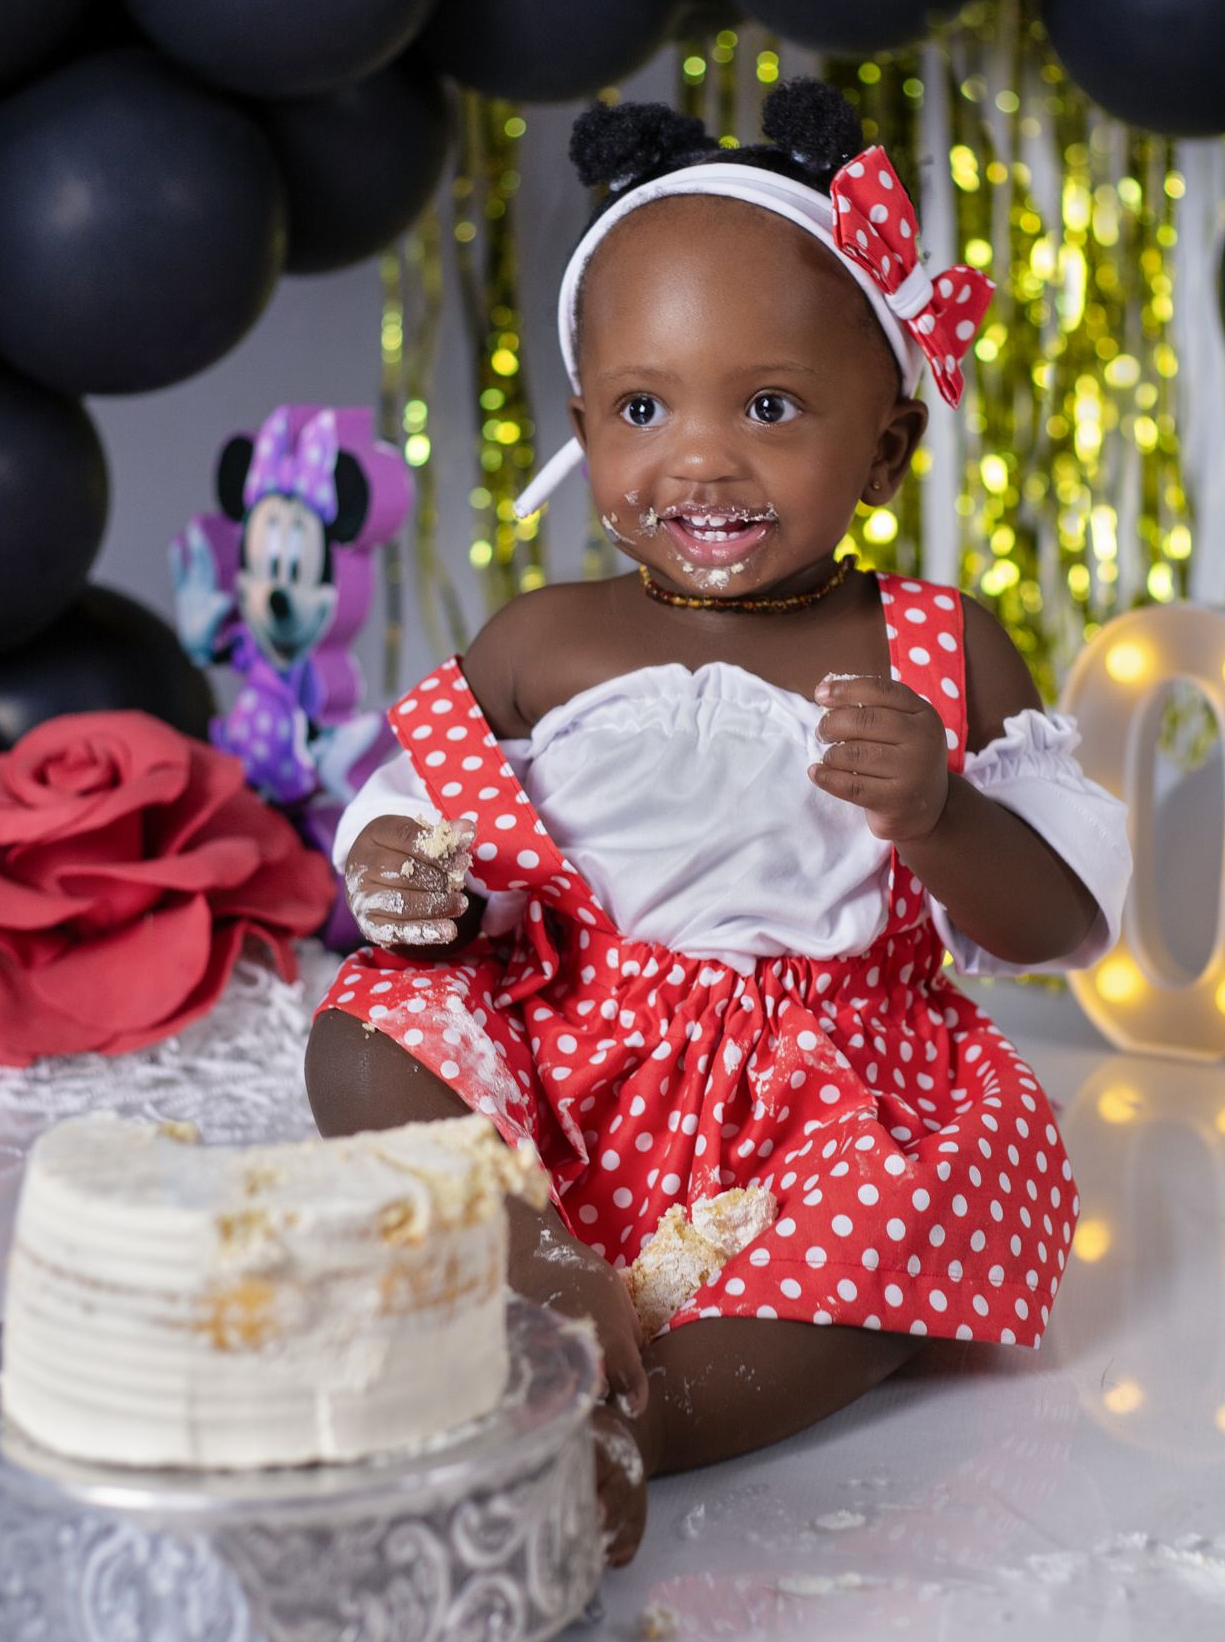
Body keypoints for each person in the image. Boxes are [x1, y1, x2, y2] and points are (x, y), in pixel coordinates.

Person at [305, 79, 1130, 1565]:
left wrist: (939, 814)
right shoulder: (542, 641)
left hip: (832, 1085)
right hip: (572, 1043)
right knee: (368, 1024)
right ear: (581, 425)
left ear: (884, 447)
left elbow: (1062, 927)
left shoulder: (940, 650)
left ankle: (634, 1428)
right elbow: (426, 831)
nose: (700, 456)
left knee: (934, 1209)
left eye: (769, 405)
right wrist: (410, 877)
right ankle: (527, 1253)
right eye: (642, 406)